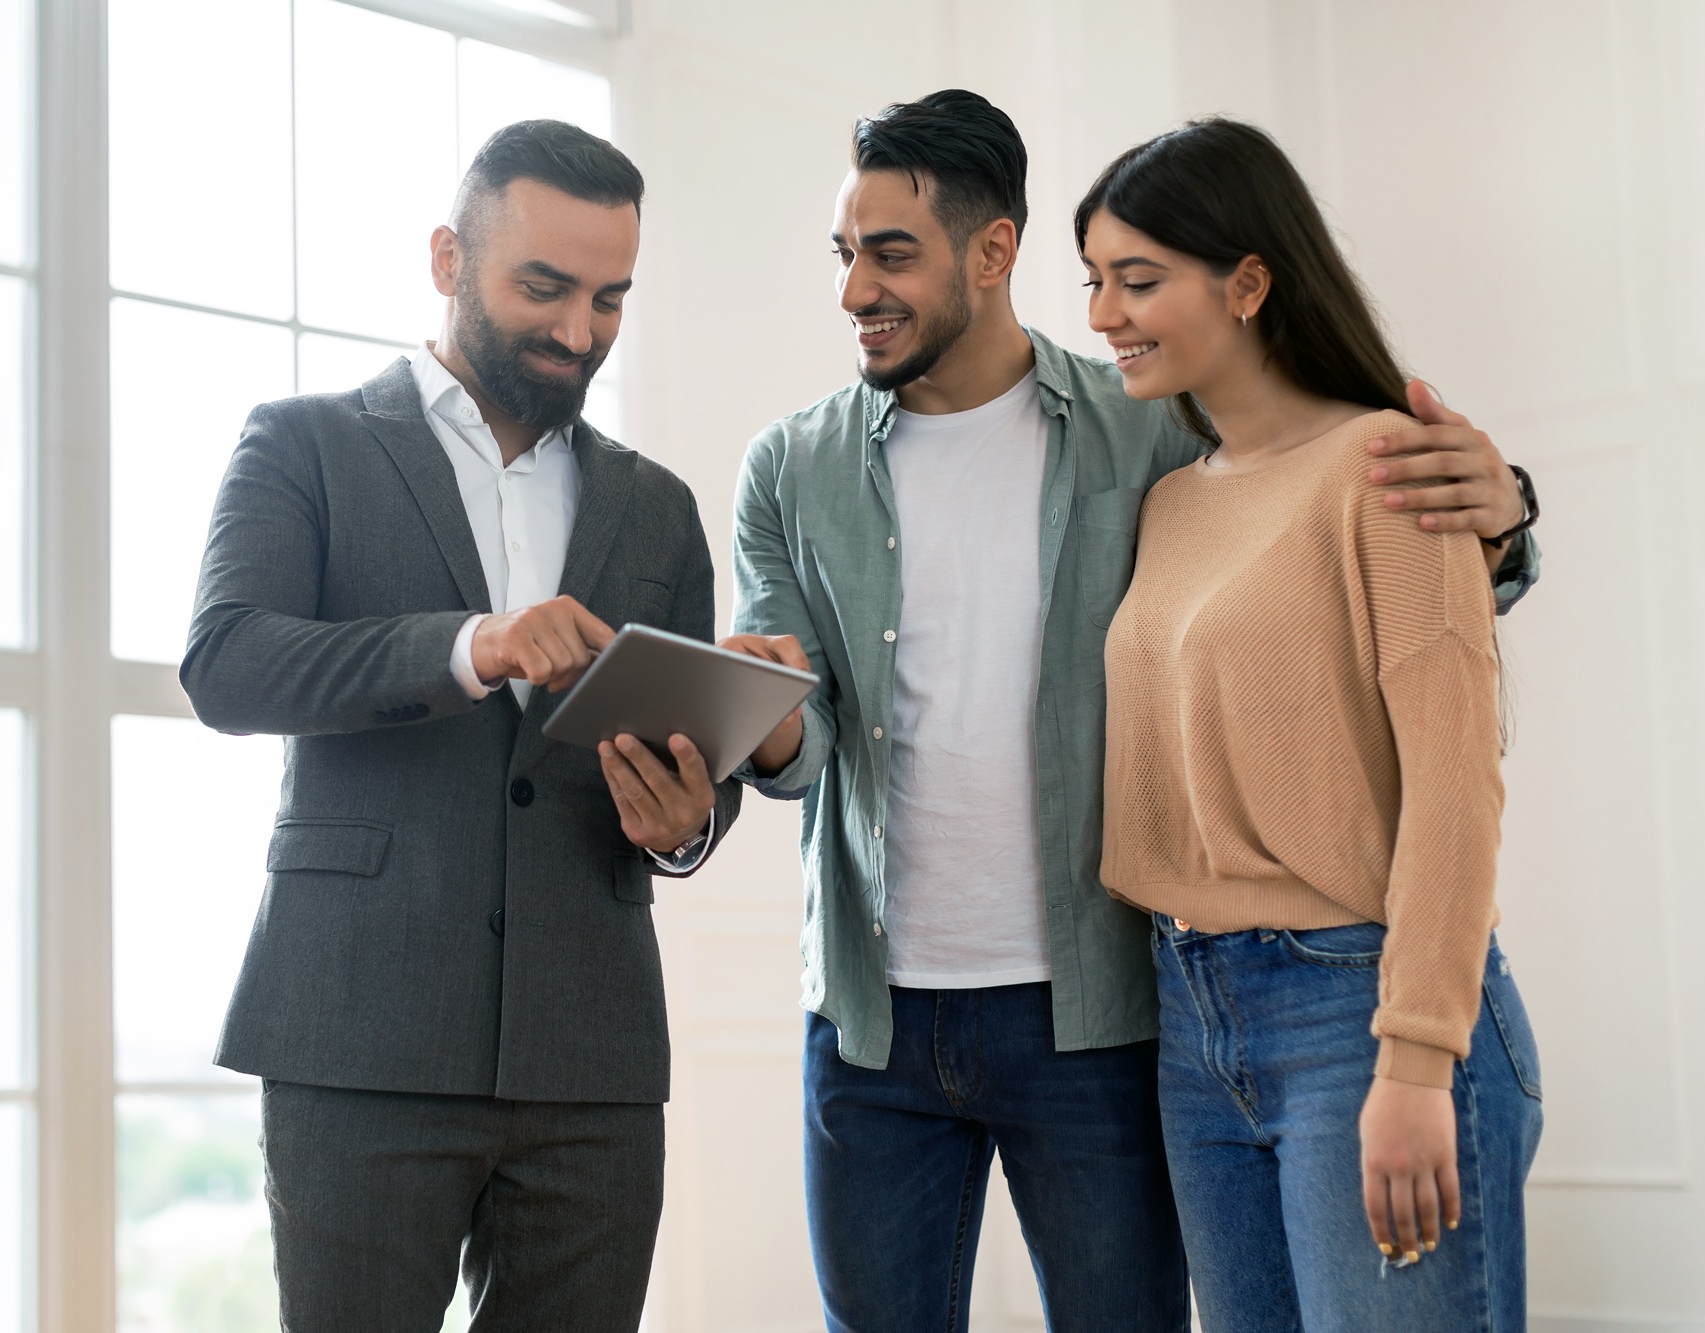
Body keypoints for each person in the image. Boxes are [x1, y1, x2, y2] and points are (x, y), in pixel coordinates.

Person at [717, 90, 1541, 1332]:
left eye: (888, 253)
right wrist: (760, 712)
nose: (853, 290)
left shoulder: (1162, 435)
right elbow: (802, 741)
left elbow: (1431, 719)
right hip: (1015, 1013)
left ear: (990, 252)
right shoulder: (811, 467)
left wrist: (1505, 510)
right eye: (844, 254)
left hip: (1183, 1004)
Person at [181, 119, 741, 1331]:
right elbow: (226, 663)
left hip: (590, 1059)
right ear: (447, 259)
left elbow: (698, 778)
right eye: (542, 287)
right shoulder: (303, 444)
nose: (577, 331)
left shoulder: (657, 509)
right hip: (357, 1032)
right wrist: (469, 644)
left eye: (608, 298)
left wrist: (688, 819)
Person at [1085, 118, 1542, 1331]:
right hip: (1189, 1015)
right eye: (1091, 281)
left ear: (1246, 281)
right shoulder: (1171, 500)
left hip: (1355, 1002)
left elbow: (1455, 781)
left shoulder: (1383, 466)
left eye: (1136, 280)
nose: (1102, 314)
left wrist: (1411, 1052)